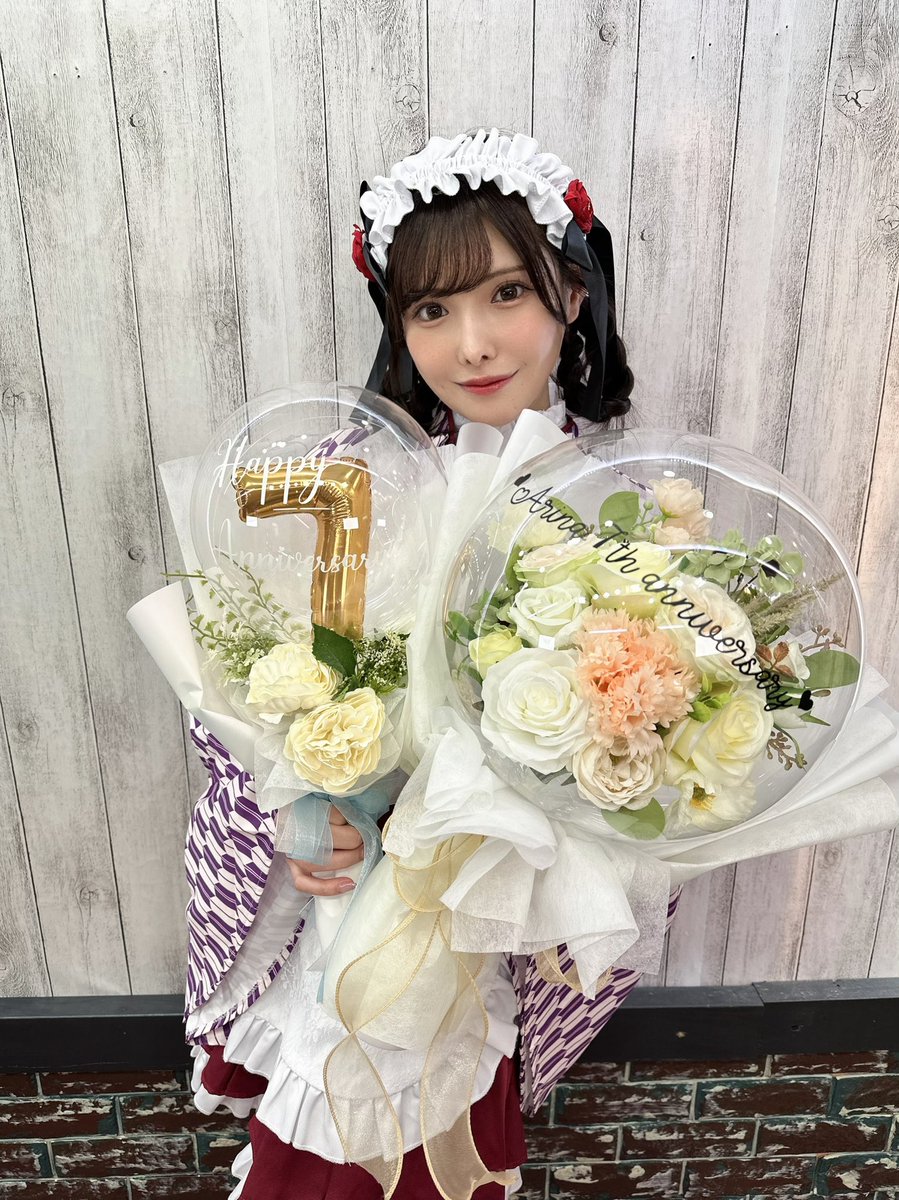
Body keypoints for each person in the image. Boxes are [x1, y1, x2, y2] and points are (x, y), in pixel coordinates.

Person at [186, 128, 681, 1198]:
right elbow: (246, 693)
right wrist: (305, 818)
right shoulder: (350, 480)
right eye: (430, 310)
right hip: (351, 912)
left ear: (571, 294)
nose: (472, 344)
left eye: (506, 293)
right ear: (397, 325)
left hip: (494, 926)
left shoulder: (628, 510)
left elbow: (665, 749)